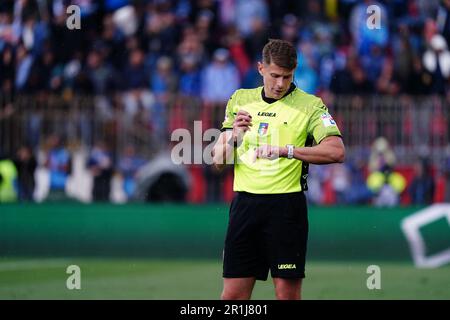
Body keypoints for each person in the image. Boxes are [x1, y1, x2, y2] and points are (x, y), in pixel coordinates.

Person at [212, 39, 345, 300]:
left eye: (287, 76)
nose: (280, 84)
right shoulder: (240, 99)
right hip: (245, 207)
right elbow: (218, 161)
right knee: (233, 297)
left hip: (286, 208)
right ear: (261, 68)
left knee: (286, 296)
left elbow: (336, 151)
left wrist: (289, 151)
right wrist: (234, 136)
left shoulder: (310, 106)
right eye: (274, 75)